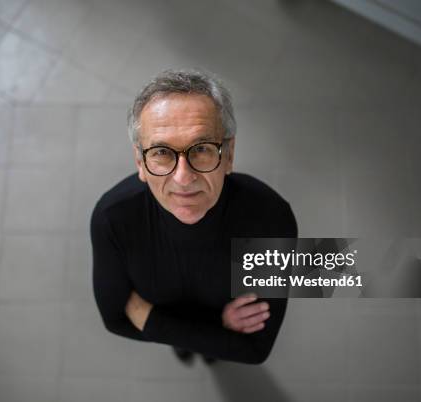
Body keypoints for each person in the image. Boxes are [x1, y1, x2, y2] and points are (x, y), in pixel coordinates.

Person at [90, 69, 297, 365]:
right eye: (162, 152)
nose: (183, 178)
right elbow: (114, 321)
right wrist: (218, 331)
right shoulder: (111, 217)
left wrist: (148, 317)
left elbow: (256, 350)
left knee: (204, 351)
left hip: (164, 318)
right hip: (215, 324)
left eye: (201, 149)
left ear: (229, 154)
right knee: (189, 348)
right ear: (140, 162)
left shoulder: (271, 217)